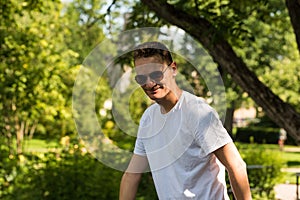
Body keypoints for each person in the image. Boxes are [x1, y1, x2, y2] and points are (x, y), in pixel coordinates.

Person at [119, 42, 251, 200]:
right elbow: (132, 176)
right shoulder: (148, 119)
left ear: (173, 69)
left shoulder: (197, 113)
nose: (149, 83)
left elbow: (236, 166)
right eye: (141, 77)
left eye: (156, 75)